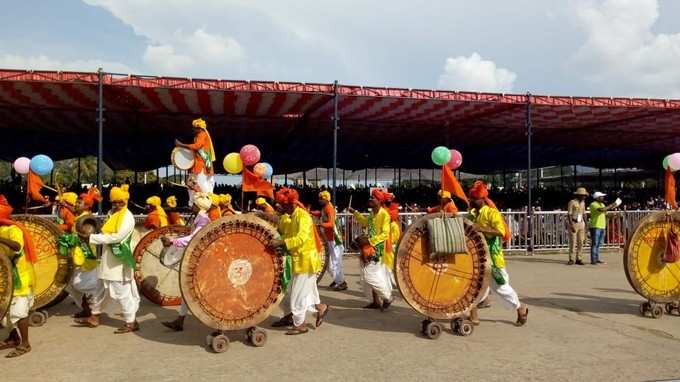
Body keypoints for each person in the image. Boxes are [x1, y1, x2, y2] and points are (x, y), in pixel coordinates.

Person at [77, 185, 140, 333]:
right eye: (114, 202)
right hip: (108, 258)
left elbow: (117, 237)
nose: (117, 205)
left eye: (120, 202)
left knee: (121, 291)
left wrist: (92, 238)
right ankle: (94, 316)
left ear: (126, 201)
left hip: (119, 259)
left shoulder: (128, 217)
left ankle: (131, 322)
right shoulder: (111, 213)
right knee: (99, 288)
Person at [467, 181, 528, 327]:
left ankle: (520, 308)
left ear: (481, 199)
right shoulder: (472, 214)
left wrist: (481, 228)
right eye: (471, 199)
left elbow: (500, 232)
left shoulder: (492, 213)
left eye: (473, 199)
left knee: (501, 287)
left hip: (492, 258)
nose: (471, 201)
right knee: (471, 284)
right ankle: (473, 314)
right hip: (477, 257)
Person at [269, 188, 329, 335]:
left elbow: (300, 239)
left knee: (298, 294)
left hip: (306, 261)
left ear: (289, 205)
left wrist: (281, 243)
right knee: (289, 291)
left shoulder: (303, 217)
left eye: (281, 206)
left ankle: (300, 324)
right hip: (295, 261)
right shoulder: (287, 217)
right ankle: (319, 308)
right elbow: (280, 230)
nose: (279, 208)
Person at [161, 193, 212, 331]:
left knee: (195, 290)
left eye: (194, 204)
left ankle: (210, 318)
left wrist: (173, 241)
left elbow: (194, 238)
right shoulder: (199, 218)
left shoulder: (203, 220)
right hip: (196, 257)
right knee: (187, 289)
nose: (192, 206)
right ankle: (180, 320)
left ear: (199, 207)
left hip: (201, 260)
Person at [0, 195, 37, 358]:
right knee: (5, 311)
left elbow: (17, 247)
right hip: (4, 277)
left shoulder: (14, 229)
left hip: (19, 276)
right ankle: (13, 338)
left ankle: (25, 343)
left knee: (18, 311)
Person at [349, 189, 393, 310]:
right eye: (370, 198)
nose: (370, 200)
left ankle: (388, 297)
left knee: (369, 276)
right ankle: (376, 302)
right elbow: (364, 222)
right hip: (367, 248)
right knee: (367, 276)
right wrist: (355, 213)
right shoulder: (372, 214)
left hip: (376, 250)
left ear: (379, 201)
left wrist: (369, 241)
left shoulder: (384, 215)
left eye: (373, 198)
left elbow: (385, 234)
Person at [62, 187, 101, 319]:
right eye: (76, 202)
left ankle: (95, 312)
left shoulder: (88, 219)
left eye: (79, 203)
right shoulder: (80, 216)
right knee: (72, 285)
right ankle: (86, 309)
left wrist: (73, 237)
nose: (76, 205)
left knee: (86, 286)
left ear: (86, 206)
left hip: (86, 255)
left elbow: (87, 235)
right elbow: (73, 212)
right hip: (77, 255)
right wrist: (65, 205)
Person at [311, 191, 347, 291]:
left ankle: (341, 282)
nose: (319, 200)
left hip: (334, 240)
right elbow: (321, 214)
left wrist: (319, 225)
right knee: (329, 263)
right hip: (329, 239)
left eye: (321, 198)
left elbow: (330, 224)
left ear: (326, 199)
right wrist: (311, 212)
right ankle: (338, 280)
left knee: (335, 263)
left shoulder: (329, 208)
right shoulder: (325, 208)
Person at [175, 118, 216, 196]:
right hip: (200, 163)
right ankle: (192, 204)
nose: (192, 129)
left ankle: (208, 203)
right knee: (191, 184)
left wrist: (181, 145)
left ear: (199, 128)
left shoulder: (202, 134)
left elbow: (197, 146)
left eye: (194, 128)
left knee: (201, 185)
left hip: (201, 165)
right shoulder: (198, 135)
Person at [589, 191, 618, 265]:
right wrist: (611, 205)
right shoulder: (593, 204)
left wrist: (614, 216)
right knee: (595, 243)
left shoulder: (602, 204)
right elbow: (602, 210)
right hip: (595, 226)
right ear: (597, 197)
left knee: (599, 243)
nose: (603, 197)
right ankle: (593, 260)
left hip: (602, 226)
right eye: (601, 196)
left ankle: (597, 258)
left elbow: (605, 214)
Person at [567, 187, 588, 265]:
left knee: (581, 242)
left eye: (585, 195)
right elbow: (569, 214)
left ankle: (579, 258)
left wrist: (586, 224)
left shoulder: (583, 203)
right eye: (583, 195)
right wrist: (571, 224)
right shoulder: (572, 202)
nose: (584, 197)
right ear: (579, 195)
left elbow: (584, 213)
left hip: (581, 223)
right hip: (574, 222)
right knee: (573, 242)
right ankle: (571, 258)